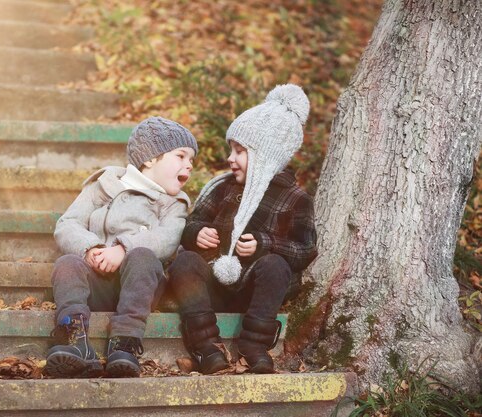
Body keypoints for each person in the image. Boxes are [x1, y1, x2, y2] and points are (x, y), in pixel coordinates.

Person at [168, 84, 317, 374]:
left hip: (257, 292)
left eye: (240, 151)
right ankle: (205, 346)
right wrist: (196, 233)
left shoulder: (295, 198)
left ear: (266, 156)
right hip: (214, 281)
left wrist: (267, 244)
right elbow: (192, 221)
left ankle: (255, 347)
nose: (230, 159)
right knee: (185, 261)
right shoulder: (223, 187)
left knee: (275, 266)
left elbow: (306, 249)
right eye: (230, 150)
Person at [46, 116, 198, 378]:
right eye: (181, 156)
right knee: (66, 264)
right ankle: (75, 337)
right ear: (150, 159)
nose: (189, 165)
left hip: (141, 286)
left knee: (142, 257)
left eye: (192, 160)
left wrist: (122, 249)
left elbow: (167, 239)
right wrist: (90, 248)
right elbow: (67, 223)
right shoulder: (104, 185)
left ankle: (124, 341)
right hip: (99, 281)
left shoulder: (174, 204)